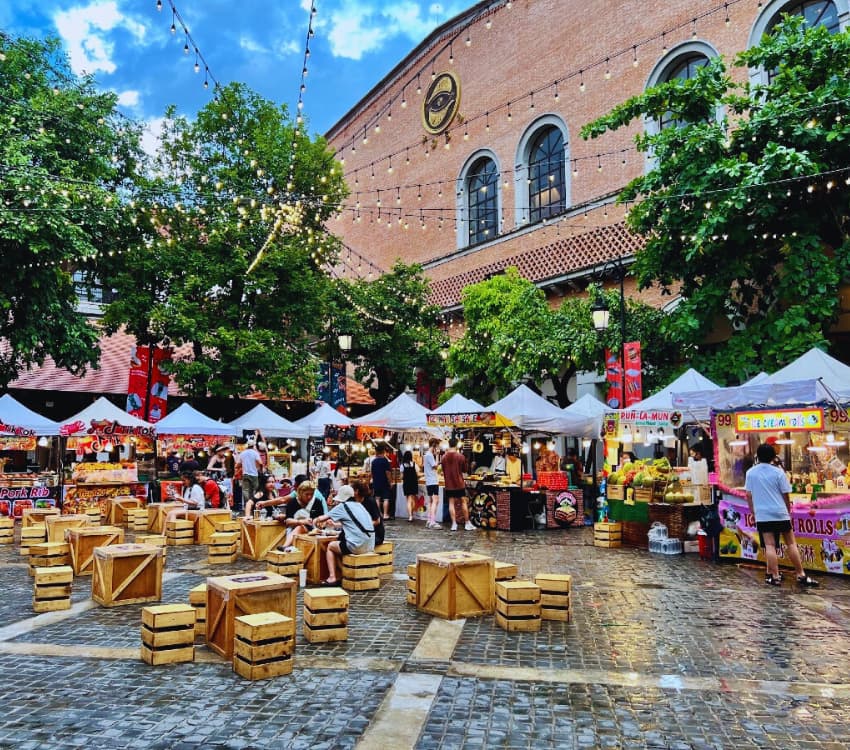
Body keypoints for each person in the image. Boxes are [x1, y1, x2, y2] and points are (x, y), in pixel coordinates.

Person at [745, 443, 819, 587]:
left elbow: (749, 495)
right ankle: (801, 574)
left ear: (758, 456)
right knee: (791, 543)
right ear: (773, 456)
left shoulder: (751, 473)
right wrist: (788, 511)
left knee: (770, 545)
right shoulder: (778, 472)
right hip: (780, 512)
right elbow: (786, 494)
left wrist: (753, 512)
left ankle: (774, 576)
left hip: (763, 514)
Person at [314, 484, 375, 585]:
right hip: (370, 544)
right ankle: (342, 573)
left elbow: (321, 519)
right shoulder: (359, 505)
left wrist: (314, 521)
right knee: (340, 545)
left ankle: (332, 577)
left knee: (331, 546)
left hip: (358, 545)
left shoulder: (343, 506)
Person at [442, 437, 474, 531]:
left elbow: (443, 470)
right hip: (459, 483)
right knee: (463, 501)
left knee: (451, 503)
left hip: (449, 484)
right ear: (456, 445)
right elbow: (464, 470)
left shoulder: (444, 457)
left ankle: (454, 524)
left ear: (449, 444)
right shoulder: (460, 456)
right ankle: (467, 523)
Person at [352, 479, 384, 545]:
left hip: (375, 535)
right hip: (363, 533)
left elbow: (377, 521)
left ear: (356, 491)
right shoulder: (354, 501)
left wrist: (360, 527)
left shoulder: (370, 501)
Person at [236, 441, 262, 514]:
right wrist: (261, 469)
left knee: (246, 491)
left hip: (245, 474)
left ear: (247, 446)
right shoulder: (255, 453)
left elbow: (237, 465)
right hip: (254, 475)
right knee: (255, 490)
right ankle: (254, 505)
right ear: (253, 446)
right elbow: (260, 463)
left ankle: (247, 506)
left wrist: (242, 465)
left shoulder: (242, 453)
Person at [370, 444, 393, 521]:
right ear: (383, 452)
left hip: (376, 482)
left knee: (377, 498)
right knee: (386, 499)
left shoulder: (373, 461)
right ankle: (385, 514)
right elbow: (388, 472)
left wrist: (373, 479)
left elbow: (372, 473)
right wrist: (390, 482)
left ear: (376, 452)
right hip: (384, 482)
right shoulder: (385, 461)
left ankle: (379, 514)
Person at [423, 438, 442, 529]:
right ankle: (432, 521)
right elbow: (435, 466)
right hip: (433, 481)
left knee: (431, 501)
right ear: (434, 445)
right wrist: (438, 456)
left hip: (429, 481)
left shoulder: (427, 455)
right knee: (435, 501)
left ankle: (429, 520)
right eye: (437, 446)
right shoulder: (429, 455)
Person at [400, 450, 419, 522]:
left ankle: (410, 516)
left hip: (406, 483)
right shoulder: (414, 464)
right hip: (414, 483)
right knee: (412, 498)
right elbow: (417, 474)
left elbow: (401, 477)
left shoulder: (402, 465)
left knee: (408, 499)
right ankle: (412, 514)